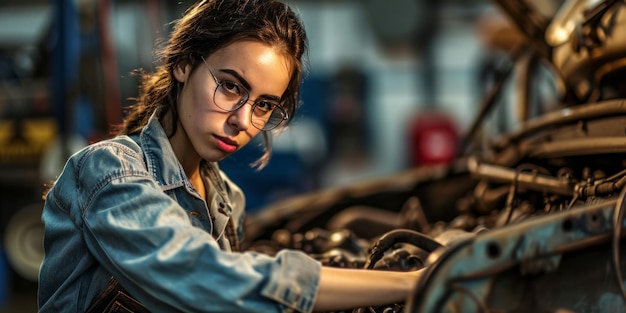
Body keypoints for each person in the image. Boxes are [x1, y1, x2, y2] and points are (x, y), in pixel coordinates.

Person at [38, 0, 423, 312]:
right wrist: (416, 283)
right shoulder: (109, 171)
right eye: (230, 86)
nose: (243, 121)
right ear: (184, 64)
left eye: (264, 104)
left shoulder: (227, 199)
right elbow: (206, 279)